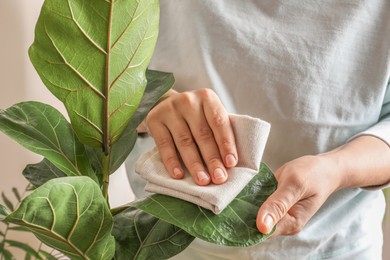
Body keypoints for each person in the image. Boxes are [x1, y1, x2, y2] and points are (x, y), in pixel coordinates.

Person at [131, 1, 390, 259]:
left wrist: (337, 169)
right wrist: (154, 100)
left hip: (337, 246)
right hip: (166, 240)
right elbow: (103, 73)